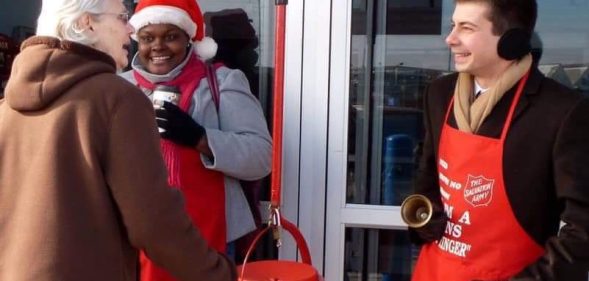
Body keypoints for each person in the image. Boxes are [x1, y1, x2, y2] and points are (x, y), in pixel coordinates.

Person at [0, 0, 236, 280]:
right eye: (123, 17)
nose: (131, 29)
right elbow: (153, 222)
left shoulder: (6, 108)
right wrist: (219, 273)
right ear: (88, 23)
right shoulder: (118, 99)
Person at [408, 0, 589, 280]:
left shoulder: (561, 112)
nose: (450, 39)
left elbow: (582, 228)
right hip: (436, 270)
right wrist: (425, 217)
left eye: (466, 28)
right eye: (452, 26)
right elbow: (428, 171)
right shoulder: (440, 93)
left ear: (511, 40)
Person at [119, 0, 272, 279]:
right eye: (147, 38)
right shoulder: (120, 88)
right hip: (136, 240)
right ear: (136, 42)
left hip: (208, 237)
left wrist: (199, 137)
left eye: (171, 36)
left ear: (190, 40)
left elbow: (261, 157)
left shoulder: (223, 81)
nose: (158, 46)